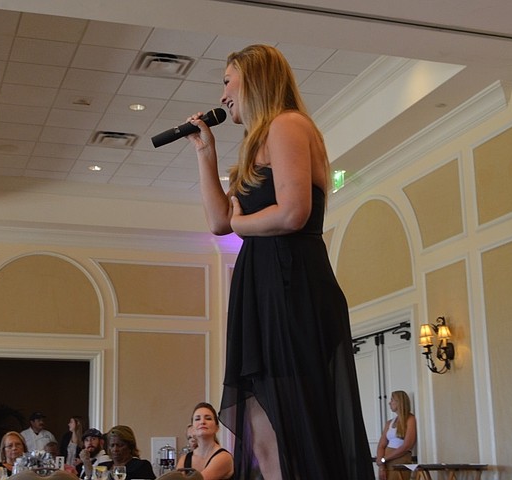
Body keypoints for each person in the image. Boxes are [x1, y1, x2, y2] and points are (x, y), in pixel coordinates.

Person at [186, 43, 373, 479]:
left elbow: (294, 213)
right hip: (261, 287)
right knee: (263, 431)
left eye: (227, 81)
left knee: (299, 422)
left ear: (253, 78)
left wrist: (243, 224)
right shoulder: (252, 150)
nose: (223, 95)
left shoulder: (288, 125)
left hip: (291, 283)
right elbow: (219, 222)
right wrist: (204, 153)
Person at [175, 403, 233, 480]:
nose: (202, 422)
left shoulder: (224, 457)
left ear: (217, 428)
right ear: (192, 428)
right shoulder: (184, 459)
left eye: (208, 418)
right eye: (197, 419)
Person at [375, 391, 417, 480]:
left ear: (399, 402)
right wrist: (381, 463)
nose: (389, 403)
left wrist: (384, 458)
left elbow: (407, 446)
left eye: (392, 400)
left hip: (400, 459)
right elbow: (381, 445)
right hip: (386, 462)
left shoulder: (410, 419)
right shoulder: (389, 422)